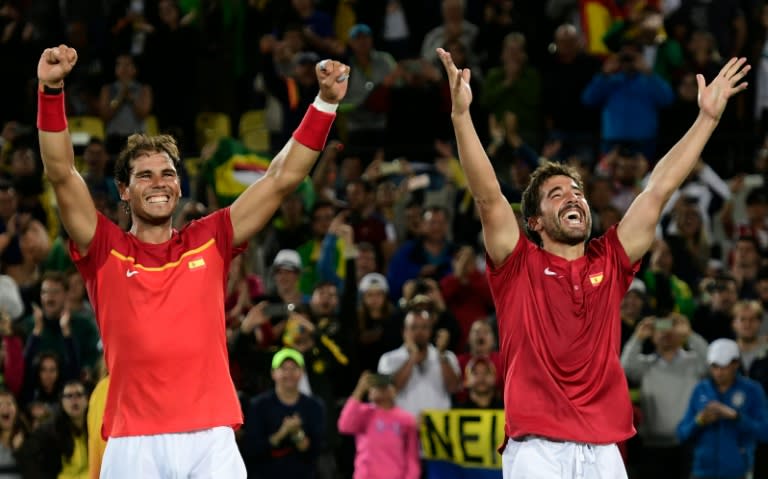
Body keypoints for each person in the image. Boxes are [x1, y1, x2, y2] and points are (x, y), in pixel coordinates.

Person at [35, 43, 349, 478]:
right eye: (144, 175)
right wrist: (51, 90)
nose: (159, 183)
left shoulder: (211, 238)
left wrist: (325, 103)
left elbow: (281, 179)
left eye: (168, 174)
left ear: (180, 187)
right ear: (124, 190)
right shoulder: (104, 247)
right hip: (132, 442)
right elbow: (60, 173)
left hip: (210, 437)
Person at [435, 45, 750, 479]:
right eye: (558, 194)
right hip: (536, 451)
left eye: (578, 192)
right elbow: (488, 195)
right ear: (536, 221)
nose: (574, 198)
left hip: (604, 451)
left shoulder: (612, 259)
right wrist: (461, 117)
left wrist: (707, 119)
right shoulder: (517, 263)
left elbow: (657, 191)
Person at [676, 339, 768, 479]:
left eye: (724, 367)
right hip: (701, 472)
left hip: (737, 473)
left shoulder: (752, 390)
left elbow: (764, 432)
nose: (719, 372)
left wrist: (736, 417)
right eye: (714, 366)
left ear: (736, 364)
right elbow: (682, 433)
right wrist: (700, 421)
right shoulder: (701, 389)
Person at [337, 371, 420, 479]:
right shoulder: (363, 412)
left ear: (393, 391)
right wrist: (359, 390)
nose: (378, 389)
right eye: (375, 387)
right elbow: (344, 426)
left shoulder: (406, 419)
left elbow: (412, 457)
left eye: (383, 386)